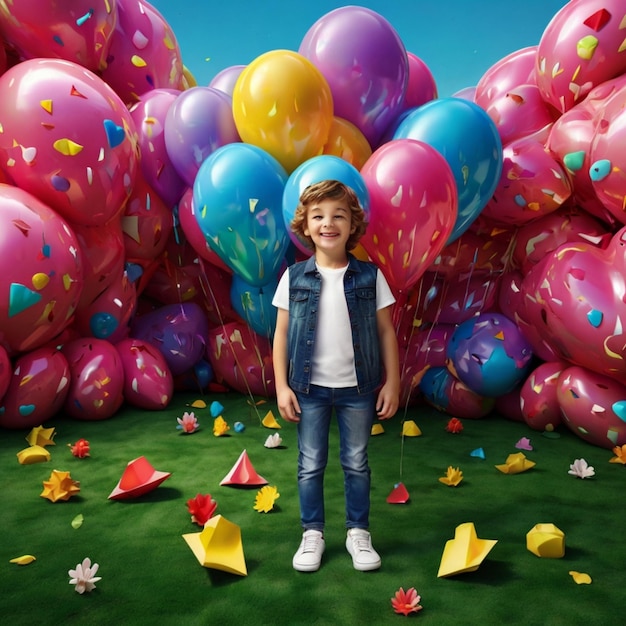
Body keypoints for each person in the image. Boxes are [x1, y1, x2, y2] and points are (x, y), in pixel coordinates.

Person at [272, 179, 400, 573]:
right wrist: (281, 386)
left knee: (356, 462)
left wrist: (393, 381)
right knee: (310, 464)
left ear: (352, 224)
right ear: (306, 226)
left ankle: (358, 531)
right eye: (319, 216)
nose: (329, 223)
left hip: (357, 389)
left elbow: (385, 331)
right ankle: (312, 533)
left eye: (338, 216)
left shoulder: (369, 277)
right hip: (308, 389)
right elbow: (280, 333)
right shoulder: (294, 277)